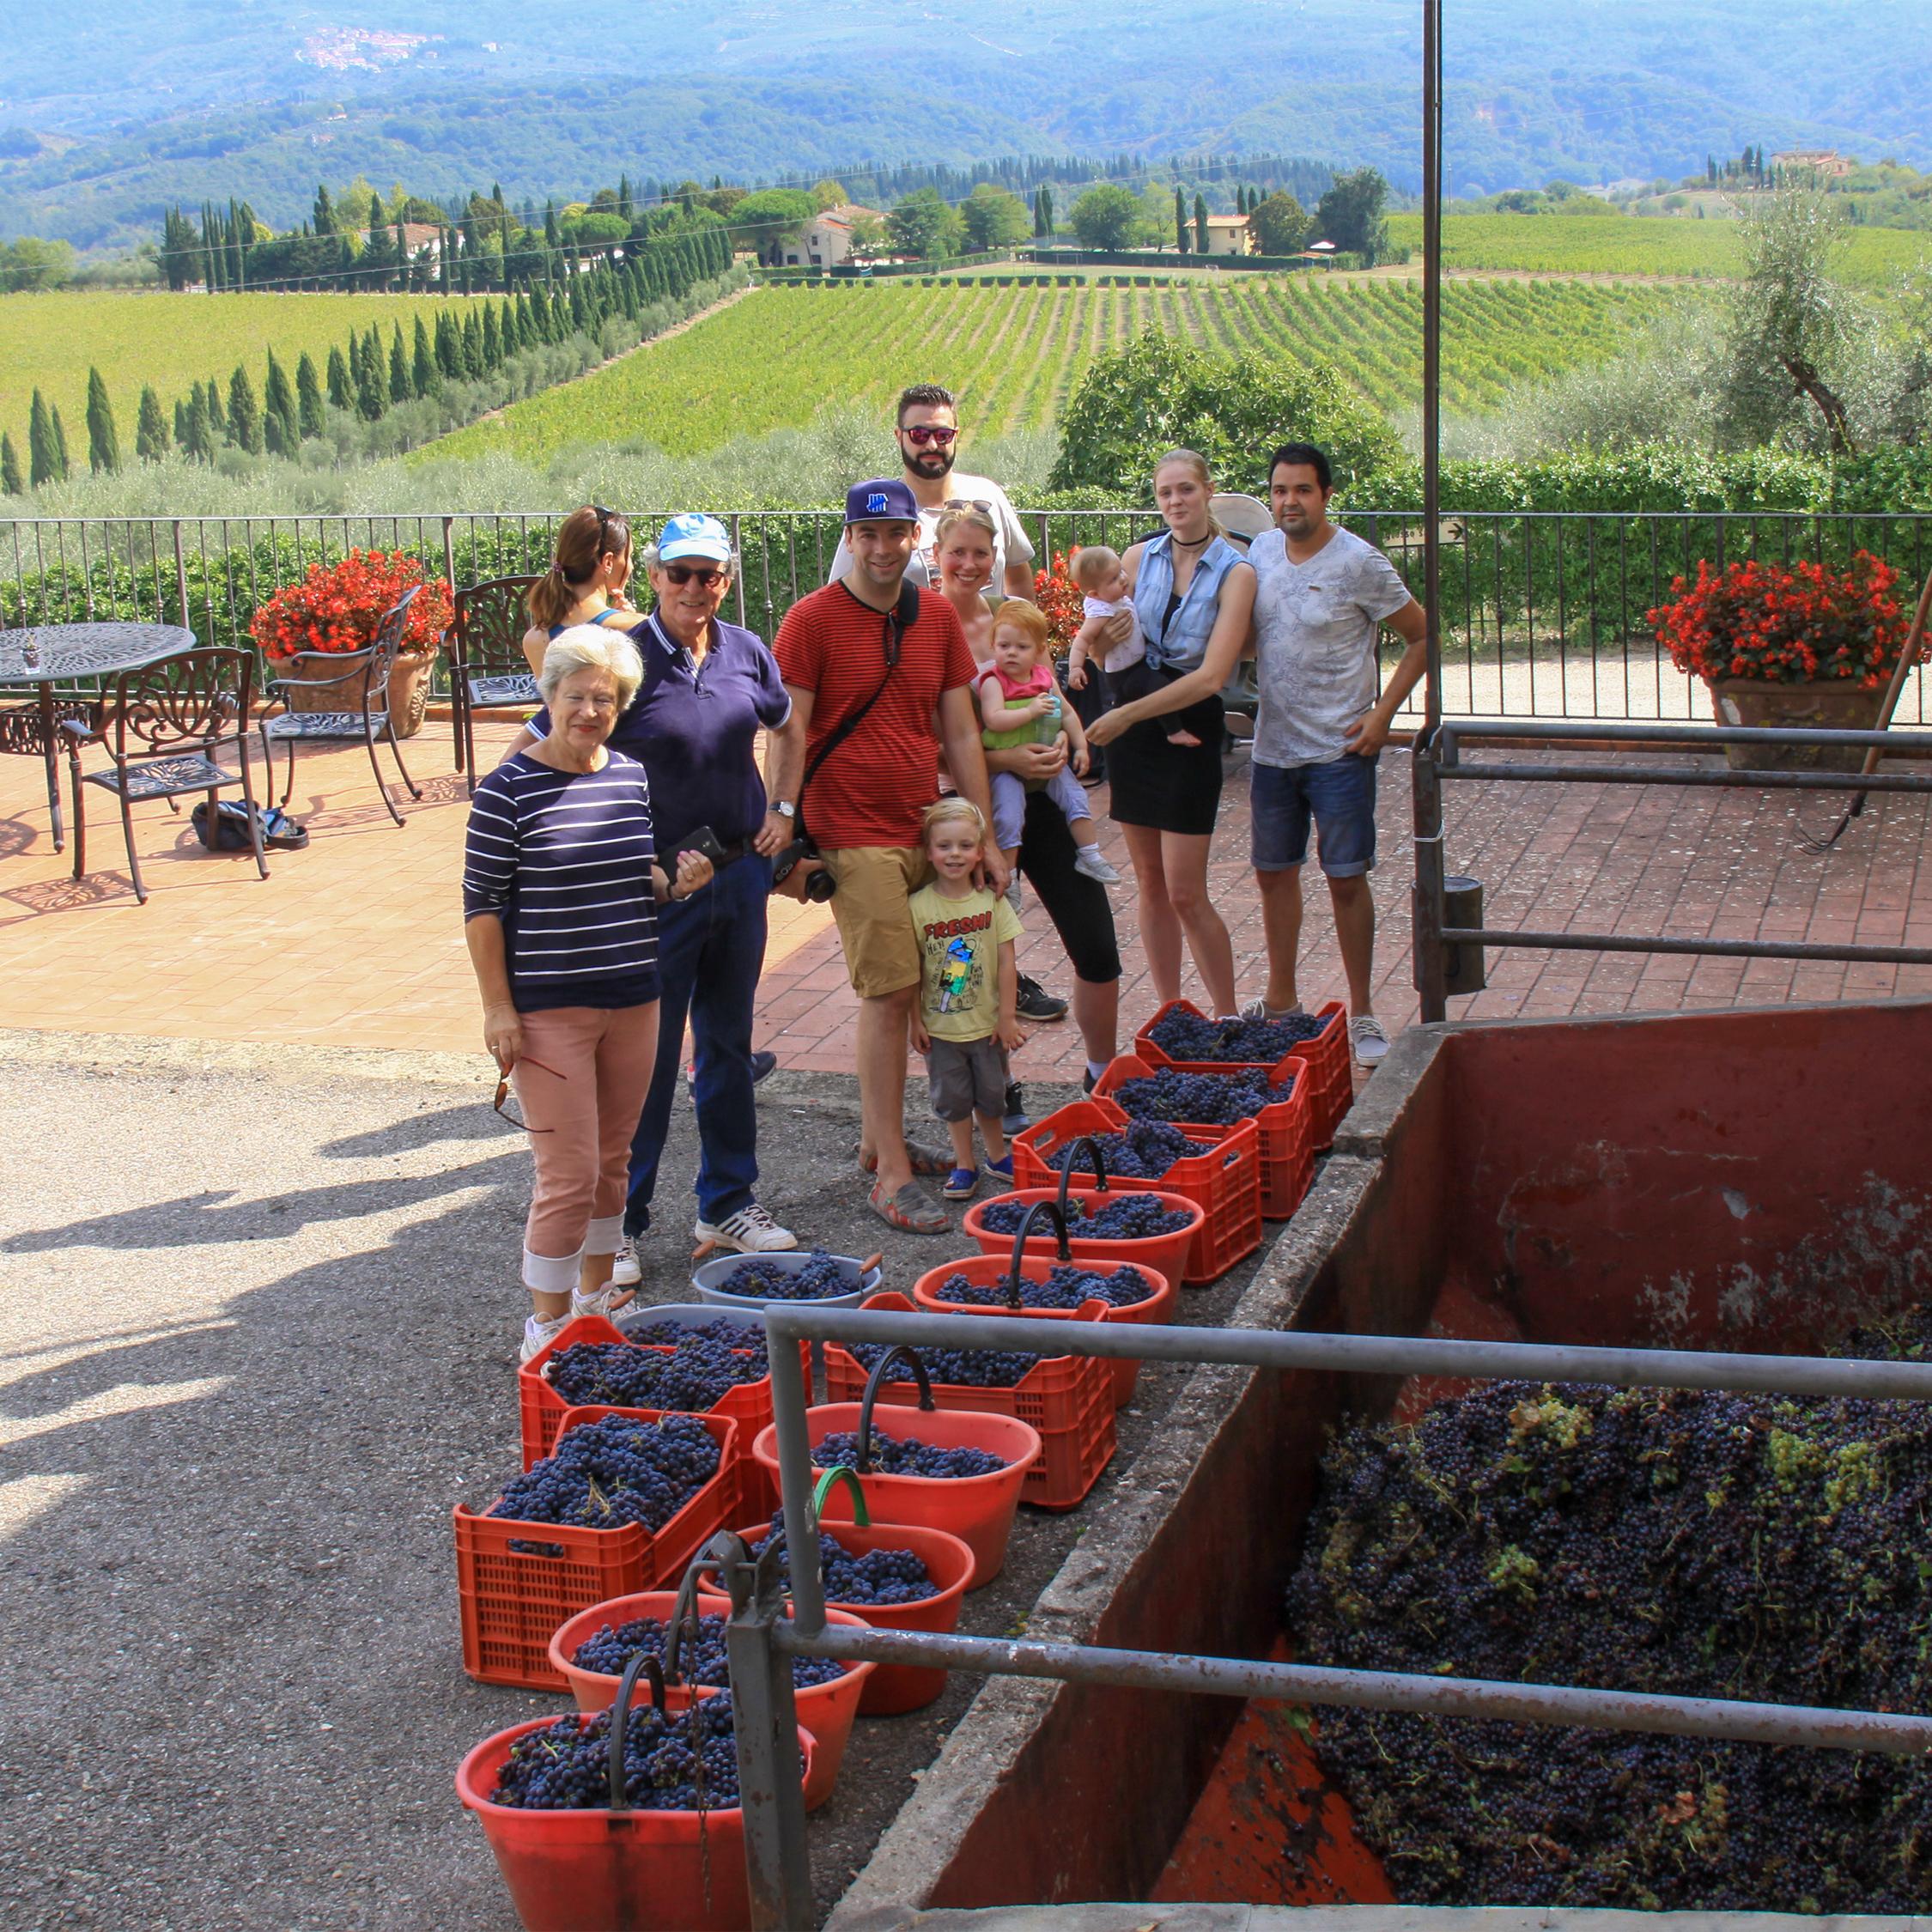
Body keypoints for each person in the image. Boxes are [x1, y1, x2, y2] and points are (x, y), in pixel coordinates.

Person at [505, 512, 807, 1278]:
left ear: (726, 580)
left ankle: (728, 1202)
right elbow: (546, 742)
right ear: (655, 577)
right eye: (680, 573)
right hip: (656, 889)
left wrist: (781, 809)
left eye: (709, 574)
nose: (694, 588)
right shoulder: (622, 659)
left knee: (728, 1047)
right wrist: (520, 816)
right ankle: (623, 1223)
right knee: (643, 1062)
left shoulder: (746, 650)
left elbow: (788, 726)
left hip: (738, 873)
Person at [463, 628, 714, 1363]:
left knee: (614, 1164)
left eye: (605, 699)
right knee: (567, 1176)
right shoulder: (506, 790)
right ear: (550, 697)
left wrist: (678, 882)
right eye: (576, 696)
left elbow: (644, 877)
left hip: (635, 996)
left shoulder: (628, 777)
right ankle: (545, 1326)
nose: (590, 711)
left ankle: (595, 1306)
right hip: (549, 1008)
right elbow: (481, 907)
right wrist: (498, 1009)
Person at [775, 477, 1005, 1234]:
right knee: (887, 993)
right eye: (867, 534)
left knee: (915, 990)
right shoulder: (809, 622)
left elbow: (962, 732)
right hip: (850, 829)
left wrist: (984, 836)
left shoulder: (934, 617)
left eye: (896, 534)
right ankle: (894, 1174)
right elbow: (789, 732)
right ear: (849, 536)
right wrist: (781, 827)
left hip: (925, 830)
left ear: (915, 537)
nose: (881, 548)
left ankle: (882, 1146)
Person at [1245, 440, 1430, 1067]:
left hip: (1341, 750)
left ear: (1325, 495)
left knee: (1346, 878)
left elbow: (1422, 635)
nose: (1289, 501)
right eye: (1279, 490)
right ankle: (1282, 1005)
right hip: (1272, 750)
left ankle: (1363, 1011)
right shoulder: (1262, 551)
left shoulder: (1360, 562)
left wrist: (1383, 716)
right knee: (1274, 875)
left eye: (1301, 490)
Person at [1085, 448, 1257, 1022]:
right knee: (1151, 886)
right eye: (1166, 493)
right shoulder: (1135, 556)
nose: (1176, 502)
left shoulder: (1237, 570)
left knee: (1186, 892)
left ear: (1209, 490)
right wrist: (1101, 643)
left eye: (1186, 489)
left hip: (1186, 723)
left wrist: (1128, 715)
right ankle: (1172, 1013)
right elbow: (1111, 649)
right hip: (1133, 720)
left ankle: (1228, 1015)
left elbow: (1212, 676)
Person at [908, 799, 1024, 1200]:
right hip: (941, 1030)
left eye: (963, 846)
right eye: (944, 846)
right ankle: (964, 1164)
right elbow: (913, 970)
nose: (954, 854)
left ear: (979, 851)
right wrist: (914, 1020)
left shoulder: (991, 902)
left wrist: (1007, 1017)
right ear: (929, 851)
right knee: (954, 1100)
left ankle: (996, 1155)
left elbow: (1008, 962)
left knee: (992, 1097)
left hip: (988, 1025)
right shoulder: (918, 907)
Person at [829, 382, 1036, 598]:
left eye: (943, 435)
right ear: (899, 436)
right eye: (919, 434)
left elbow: (1019, 578)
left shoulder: (988, 494)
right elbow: (839, 596)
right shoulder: (878, 510)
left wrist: (1022, 628)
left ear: (956, 436)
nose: (932, 445)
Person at [976, 598, 1117, 897]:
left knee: (1075, 798)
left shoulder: (1043, 679)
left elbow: (1066, 713)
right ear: (993, 646)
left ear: (1040, 650)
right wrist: (1029, 712)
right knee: (1010, 816)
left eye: (1022, 647)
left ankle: (1089, 853)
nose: (1011, 653)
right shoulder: (994, 682)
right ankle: (1010, 878)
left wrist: (1080, 747)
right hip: (1007, 767)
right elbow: (995, 719)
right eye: (1004, 646)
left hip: (1046, 761)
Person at [1066, 545, 1200, 749]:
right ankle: (1174, 731)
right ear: (1094, 593)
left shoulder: (1116, 598)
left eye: (1120, 571)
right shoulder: (1100, 612)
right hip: (1124, 673)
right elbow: (1082, 641)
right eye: (1112, 579)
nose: (1122, 578)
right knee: (1159, 687)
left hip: (1136, 662)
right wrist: (1075, 667)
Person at [519, 505, 640, 673]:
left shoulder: (534, 639)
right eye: (629, 556)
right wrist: (629, 619)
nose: (631, 567)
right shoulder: (635, 628)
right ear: (608, 562)